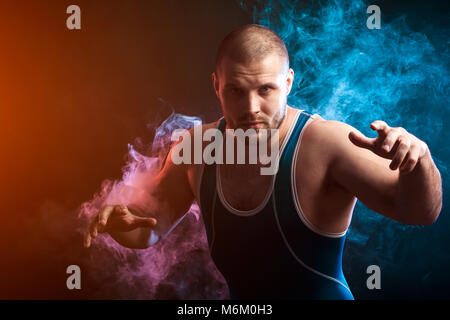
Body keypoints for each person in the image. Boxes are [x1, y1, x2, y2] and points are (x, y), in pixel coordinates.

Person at [83, 24, 442, 299]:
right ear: (216, 86)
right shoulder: (199, 147)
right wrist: (120, 223)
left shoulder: (325, 143)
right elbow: (150, 227)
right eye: (236, 91)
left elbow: (420, 212)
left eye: (265, 90)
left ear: (288, 82)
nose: (251, 108)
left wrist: (420, 160)